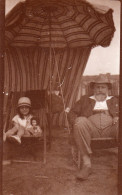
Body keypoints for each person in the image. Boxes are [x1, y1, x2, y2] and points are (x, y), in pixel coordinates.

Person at [68, 74, 119, 180]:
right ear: (93, 88)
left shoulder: (115, 100)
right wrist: (76, 124)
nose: (100, 90)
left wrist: (118, 117)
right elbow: (72, 113)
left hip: (111, 129)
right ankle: (87, 164)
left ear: (108, 89)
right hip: (91, 130)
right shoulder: (85, 99)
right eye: (97, 87)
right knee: (80, 121)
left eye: (103, 87)